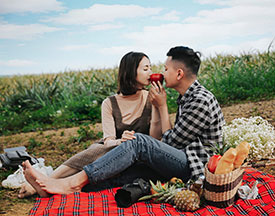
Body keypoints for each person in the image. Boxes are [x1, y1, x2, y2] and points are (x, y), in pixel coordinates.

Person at [23, 46, 226, 196]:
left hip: (196, 166)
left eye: (165, 68)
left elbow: (170, 142)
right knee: (128, 173)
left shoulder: (198, 100)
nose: (161, 73)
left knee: (137, 141)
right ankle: (58, 188)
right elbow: (170, 140)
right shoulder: (187, 97)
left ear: (179, 73)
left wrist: (161, 107)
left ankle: (72, 182)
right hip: (183, 159)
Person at [19, 51, 164, 198]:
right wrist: (121, 141)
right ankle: (48, 182)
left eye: (150, 68)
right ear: (130, 71)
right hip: (111, 153)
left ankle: (46, 183)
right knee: (98, 150)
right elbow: (108, 141)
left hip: (137, 157)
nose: (151, 73)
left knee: (100, 159)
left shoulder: (151, 98)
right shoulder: (109, 103)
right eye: (145, 69)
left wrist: (157, 106)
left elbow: (155, 138)